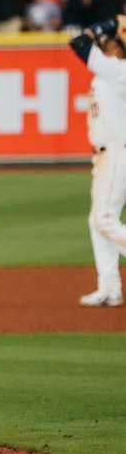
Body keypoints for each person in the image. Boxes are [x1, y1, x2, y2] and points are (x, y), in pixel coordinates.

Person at [69, 18, 126, 307]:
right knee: (97, 221)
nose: (104, 40)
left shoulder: (117, 69)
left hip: (117, 152)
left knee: (104, 220)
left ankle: (110, 286)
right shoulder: (112, 70)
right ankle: (109, 287)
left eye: (110, 38)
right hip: (109, 154)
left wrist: (105, 24)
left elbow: (78, 42)